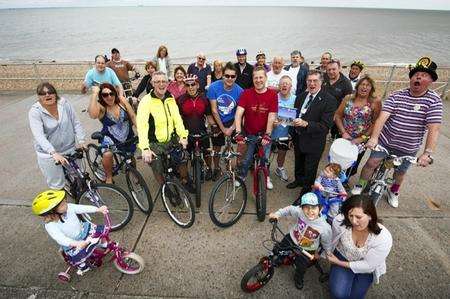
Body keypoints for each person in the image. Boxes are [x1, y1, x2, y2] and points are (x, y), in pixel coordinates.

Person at [352, 57, 442, 208]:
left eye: (424, 75)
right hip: (385, 141)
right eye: (415, 74)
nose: (418, 77)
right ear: (411, 78)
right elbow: (382, 118)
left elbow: (434, 128)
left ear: (431, 80)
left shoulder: (434, 101)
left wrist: (427, 153)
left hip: (408, 148)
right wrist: (374, 138)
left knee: (399, 173)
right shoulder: (397, 95)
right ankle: (361, 185)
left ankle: (393, 191)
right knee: (371, 163)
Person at [136, 71, 193, 192]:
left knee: (183, 158)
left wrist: (183, 136)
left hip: (171, 139)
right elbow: (142, 126)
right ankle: (164, 188)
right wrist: (145, 149)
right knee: (157, 167)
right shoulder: (146, 101)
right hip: (154, 142)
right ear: (152, 83)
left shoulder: (170, 97)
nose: (161, 84)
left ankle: (184, 180)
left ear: (167, 83)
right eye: (157, 82)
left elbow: (177, 118)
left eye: (163, 81)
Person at [327, 195, 392, 299]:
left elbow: (368, 266)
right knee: (338, 294)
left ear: (370, 216)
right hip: (343, 255)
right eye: (350, 215)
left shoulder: (383, 238)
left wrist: (337, 262)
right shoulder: (340, 221)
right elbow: (333, 238)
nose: (353, 221)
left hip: (365, 268)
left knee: (355, 296)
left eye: (358, 217)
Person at [32, 190, 109, 275]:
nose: (66, 204)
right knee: (80, 256)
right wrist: (76, 244)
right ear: (52, 211)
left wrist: (97, 209)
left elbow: (81, 208)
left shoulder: (68, 208)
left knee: (99, 233)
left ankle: (101, 244)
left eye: (64, 201)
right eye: (62, 204)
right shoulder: (51, 225)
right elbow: (60, 239)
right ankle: (82, 266)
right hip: (74, 242)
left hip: (83, 230)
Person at [286, 70, 337, 199]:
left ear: (321, 82)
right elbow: (294, 116)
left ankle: (306, 190)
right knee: (298, 161)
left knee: (310, 168)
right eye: (309, 81)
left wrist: (306, 124)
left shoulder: (329, 100)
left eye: (315, 81)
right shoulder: (301, 97)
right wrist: (285, 123)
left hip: (314, 141)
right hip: (298, 137)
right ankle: (298, 180)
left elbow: (325, 126)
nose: (312, 84)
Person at [269, 192, 332, 290]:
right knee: (280, 248)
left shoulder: (325, 228)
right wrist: (277, 214)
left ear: (321, 208)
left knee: (301, 266)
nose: (310, 211)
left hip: (307, 248)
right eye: (306, 207)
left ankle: (298, 277)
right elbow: (290, 209)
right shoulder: (300, 212)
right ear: (302, 208)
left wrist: (324, 253)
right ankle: (280, 259)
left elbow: (327, 242)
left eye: (314, 208)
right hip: (293, 237)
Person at [29, 82, 86, 190]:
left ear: (55, 94)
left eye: (50, 92)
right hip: (49, 154)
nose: (47, 95)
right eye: (43, 93)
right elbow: (39, 135)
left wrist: (81, 140)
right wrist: (53, 152)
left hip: (69, 147)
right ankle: (61, 204)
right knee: (57, 185)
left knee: (80, 176)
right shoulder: (35, 112)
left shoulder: (64, 104)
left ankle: (85, 193)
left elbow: (76, 122)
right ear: (38, 96)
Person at [235, 66, 278, 190]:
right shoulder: (246, 93)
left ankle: (266, 176)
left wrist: (268, 134)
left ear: (265, 78)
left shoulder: (272, 95)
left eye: (261, 77)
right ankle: (242, 176)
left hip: (265, 133)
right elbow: (238, 114)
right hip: (249, 133)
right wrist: (238, 132)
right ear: (252, 79)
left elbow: (271, 117)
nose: (258, 80)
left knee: (265, 157)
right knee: (247, 159)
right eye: (255, 78)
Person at [88, 83, 137, 184]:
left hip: (127, 135)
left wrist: (140, 130)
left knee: (130, 155)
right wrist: (94, 94)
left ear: (115, 93)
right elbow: (92, 115)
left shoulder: (121, 101)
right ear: (101, 97)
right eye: (105, 95)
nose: (109, 97)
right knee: (107, 154)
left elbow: (132, 116)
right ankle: (109, 177)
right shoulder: (101, 107)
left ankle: (135, 174)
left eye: (111, 94)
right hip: (110, 138)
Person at [334, 75, 381, 179]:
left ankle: (345, 181)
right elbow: (338, 116)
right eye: (362, 84)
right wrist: (343, 133)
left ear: (371, 88)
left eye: (367, 85)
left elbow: (375, 122)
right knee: (338, 159)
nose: (364, 87)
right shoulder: (348, 98)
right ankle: (334, 180)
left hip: (361, 140)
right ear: (357, 86)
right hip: (344, 136)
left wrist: (362, 138)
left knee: (353, 162)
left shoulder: (375, 102)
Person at [207, 62, 244, 181]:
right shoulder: (213, 87)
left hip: (232, 120)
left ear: (236, 77)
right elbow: (214, 109)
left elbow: (239, 113)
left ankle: (232, 167)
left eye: (232, 76)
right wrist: (222, 129)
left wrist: (231, 128)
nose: (229, 78)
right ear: (222, 75)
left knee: (236, 145)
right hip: (218, 121)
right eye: (227, 76)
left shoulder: (240, 91)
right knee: (217, 147)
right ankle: (216, 168)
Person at [177, 75, 215, 182]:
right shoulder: (180, 100)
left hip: (202, 131)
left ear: (197, 85)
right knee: (183, 157)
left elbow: (209, 117)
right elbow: (178, 119)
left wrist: (216, 128)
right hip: (186, 134)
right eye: (187, 85)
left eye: (193, 84)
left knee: (207, 152)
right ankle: (184, 179)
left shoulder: (204, 99)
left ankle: (209, 169)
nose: (190, 87)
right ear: (185, 86)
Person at [271, 75, 296, 182]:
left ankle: (279, 168)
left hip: (285, 133)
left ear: (291, 86)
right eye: (282, 83)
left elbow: (298, 116)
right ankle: (265, 173)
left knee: (282, 153)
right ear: (279, 86)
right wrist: (273, 122)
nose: (284, 85)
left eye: (287, 83)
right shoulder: (273, 97)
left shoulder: (296, 99)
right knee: (267, 154)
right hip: (271, 131)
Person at [323, 59, 353, 139]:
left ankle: (333, 137)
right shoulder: (324, 77)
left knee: (335, 134)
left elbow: (349, 103)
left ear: (339, 69)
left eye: (334, 69)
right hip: (323, 112)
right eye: (329, 69)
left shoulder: (346, 83)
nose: (331, 72)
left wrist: (338, 115)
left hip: (337, 115)